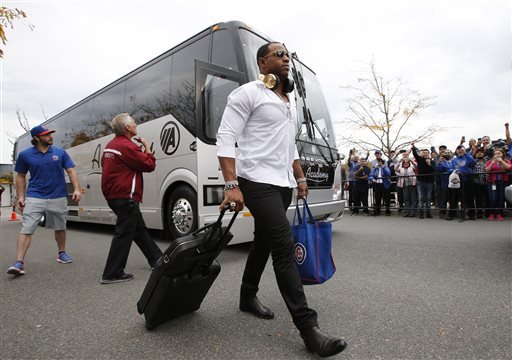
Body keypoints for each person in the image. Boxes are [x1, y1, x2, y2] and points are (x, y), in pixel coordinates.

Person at [216, 42, 346, 357]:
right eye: (279, 54)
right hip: (255, 181)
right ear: (262, 63)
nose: (285, 59)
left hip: (282, 183)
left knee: (263, 241)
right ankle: (308, 329)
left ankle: (247, 297)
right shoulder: (247, 93)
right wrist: (232, 183)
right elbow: (226, 137)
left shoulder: (289, 100)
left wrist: (300, 178)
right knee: (284, 247)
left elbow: (288, 146)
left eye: (287, 55)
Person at [7, 124, 81, 276]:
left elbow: (71, 170)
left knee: (60, 227)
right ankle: (19, 262)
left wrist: (77, 189)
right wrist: (21, 196)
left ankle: (61, 253)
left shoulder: (60, 152)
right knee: (27, 228)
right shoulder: (25, 155)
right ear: (37, 138)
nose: (50, 137)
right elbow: (20, 176)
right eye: (46, 135)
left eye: (50, 134)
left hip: (58, 196)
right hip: (35, 196)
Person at [100, 113, 163, 284]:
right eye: (134, 123)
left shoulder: (111, 145)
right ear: (127, 127)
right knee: (125, 232)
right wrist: (146, 147)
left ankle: (157, 259)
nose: (136, 124)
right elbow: (148, 165)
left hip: (114, 195)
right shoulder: (127, 146)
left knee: (138, 229)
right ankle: (112, 272)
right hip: (126, 195)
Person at [485, 148, 511, 221]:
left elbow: (509, 168)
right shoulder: (490, 161)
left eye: (499, 153)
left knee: (501, 198)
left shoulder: (506, 161)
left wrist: (502, 162)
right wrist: (492, 163)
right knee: (492, 198)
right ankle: (492, 214)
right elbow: (486, 170)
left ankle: (499, 214)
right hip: (492, 183)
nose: (497, 155)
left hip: (502, 182)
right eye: (495, 154)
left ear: (502, 154)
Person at [411, 145, 436, 218]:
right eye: (424, 153)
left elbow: (434, 170)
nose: (425, 154)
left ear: (428, 154)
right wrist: (413, 148)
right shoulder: (420, 160)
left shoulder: (432, 162)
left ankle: (428, 212)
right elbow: (415, 154)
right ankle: (421, 212)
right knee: (421, 197)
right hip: (420, 181)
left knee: (428, 197)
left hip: (429, 182)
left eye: (427, 153)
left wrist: (429, 164)